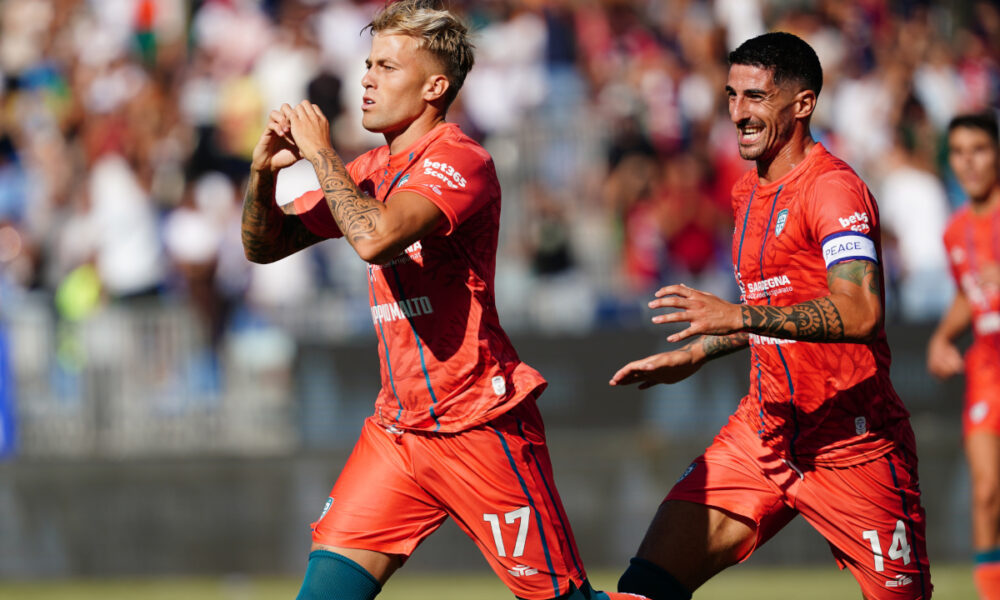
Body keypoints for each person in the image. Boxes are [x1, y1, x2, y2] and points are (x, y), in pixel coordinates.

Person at [241, 2, 646, 599]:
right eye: (368, 64)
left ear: (435, 86)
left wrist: (321, 154)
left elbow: (375, 238)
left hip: (478, 423)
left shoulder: (462, 160)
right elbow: (263, 246)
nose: (367, 79)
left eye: (386, 66)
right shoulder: (371, 168)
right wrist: (261, 173)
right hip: (399, 434)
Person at [609, 32, 932, 600]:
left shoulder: (835, 191)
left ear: (803, 104)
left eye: (755, 97)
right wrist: (698, 351)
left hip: (850, 445)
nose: (738, 113)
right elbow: (777, 308)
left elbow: (860, 311)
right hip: (762, 432)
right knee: (644, 586)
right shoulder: (745, 193)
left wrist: (735, 317)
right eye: (731, 96)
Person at [927, 112, 1000, 600]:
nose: (968, 162)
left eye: (979, 149)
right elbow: (967, 295)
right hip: (987, 367)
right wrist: (939, 338)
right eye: (958, 152)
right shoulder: (955, 232)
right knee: (985, 489)